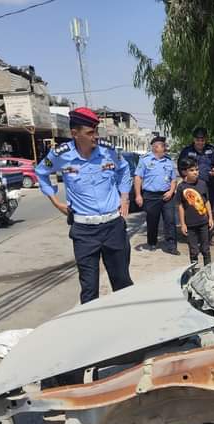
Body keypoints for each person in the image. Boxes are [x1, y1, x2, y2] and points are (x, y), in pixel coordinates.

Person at [35, 107, 133, 304]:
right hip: (84, 232)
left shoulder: (108, 150)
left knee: (122, 283)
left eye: (96, 131)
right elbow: (41, 172)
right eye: (90, 133)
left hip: (113, 227)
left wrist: (124, 198)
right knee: (89, 289)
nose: (95, 136)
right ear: (75, 134)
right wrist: (56, 202)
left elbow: (124, 169)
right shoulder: (60, 155)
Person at [134, 136, 179, 254]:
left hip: (167, 195)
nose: (165, 148)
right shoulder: (145, 160)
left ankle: (171, 246)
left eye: (165, 146)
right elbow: (138, 178)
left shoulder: (168, 161)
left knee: (170, 220)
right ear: (155, 147)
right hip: (151, 196)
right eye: (163, 146)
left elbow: (174, 180)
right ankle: (152, 242)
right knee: (152, 221)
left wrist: (171, 191)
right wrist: (138, 195)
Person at [178, 127, 214, 242]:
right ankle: (191, 236)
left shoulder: (212, 149)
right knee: (192, 209)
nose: (200, 142)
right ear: (194, 139)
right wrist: (184, 178)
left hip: (208, 185)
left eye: (202, 140)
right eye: (198, 140)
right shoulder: (187, 151)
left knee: (208, 209)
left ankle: (208, 237)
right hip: (191, 186)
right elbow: (181, 166)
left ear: (205, 140)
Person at [176, 156, 214, 267]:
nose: (195, 172)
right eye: (192, 170)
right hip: (190, 225)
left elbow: (207, 202)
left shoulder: (202, 184)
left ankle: (208, 270)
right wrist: (183, 224)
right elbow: (180, 206)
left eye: (197, 169)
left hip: (203, 222)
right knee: (193, 250)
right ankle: (194, 271)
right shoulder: (181, 187)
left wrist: (210, 218)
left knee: (205, 248)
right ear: (184, 172)